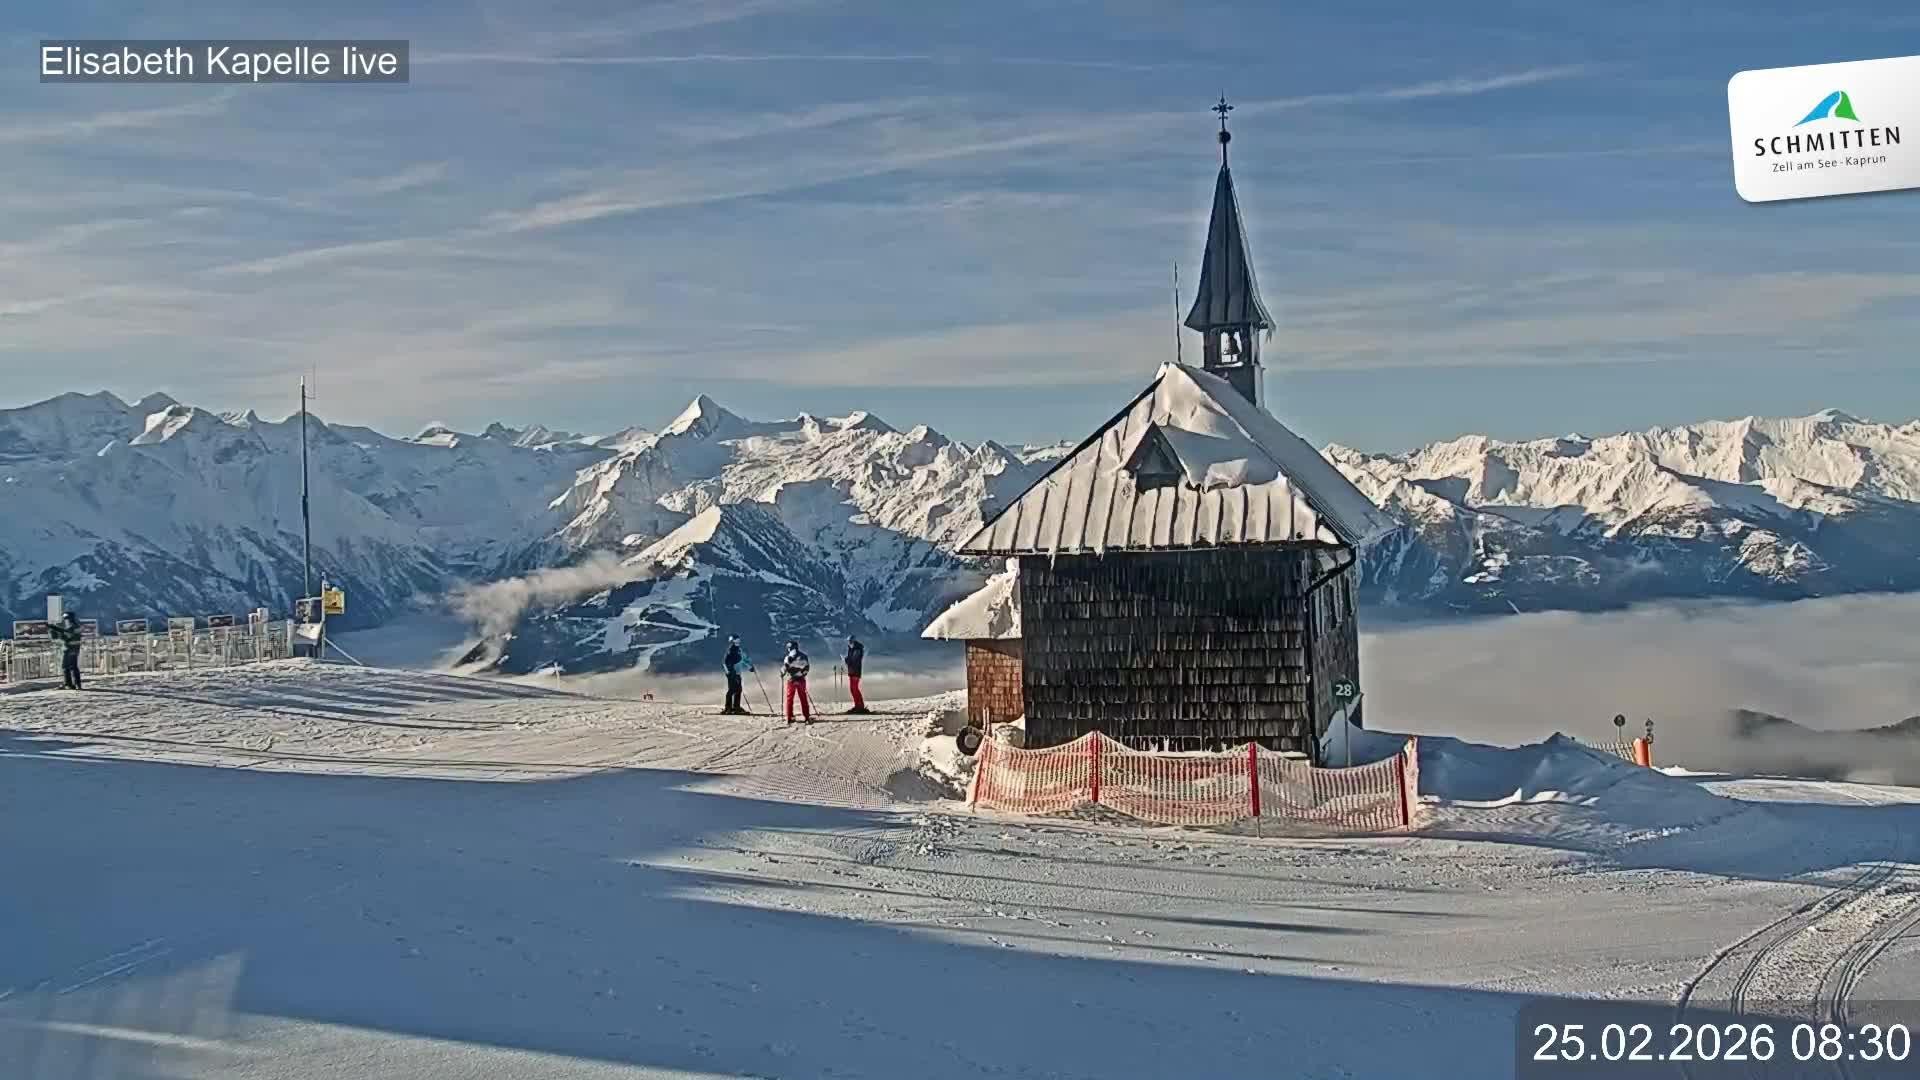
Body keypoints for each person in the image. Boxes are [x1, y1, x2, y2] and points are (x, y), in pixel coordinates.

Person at [49, 612, 85, 690]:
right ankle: (77, 684)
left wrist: (53, 630)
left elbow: (65, 636)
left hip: (69, 649)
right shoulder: (77, 626)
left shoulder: (71, 627)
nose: (65, 621)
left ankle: (68, 684)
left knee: (65, 666)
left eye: (65, 619)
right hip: (75, 649)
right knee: (74, 666)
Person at [781, 640, 813, 724]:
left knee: (789, 699)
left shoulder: (788, 657)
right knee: (803, 698)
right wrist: (802, 674)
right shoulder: (803, 656)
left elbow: (784, 668)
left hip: (791, 680)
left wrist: (782, 673)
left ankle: (789, 717)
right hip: (801, 680)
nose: (788, 649)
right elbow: (807, 668)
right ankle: (806, 717)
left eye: (788, 648)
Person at [722, 634, 753, 714]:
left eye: (738, 641)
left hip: (737, 673)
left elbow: (743, 659)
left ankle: (735, 707)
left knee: (738, 690)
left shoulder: (738, 650)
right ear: (732, 642)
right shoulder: (731, 651)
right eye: (736, 641)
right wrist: (730, 672)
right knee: (733, 690)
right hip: (732, 673)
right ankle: (729, 708)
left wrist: (750, 667)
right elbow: (725, 663)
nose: (738, 642)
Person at [843, 635, 870, 715]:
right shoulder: (852, 649)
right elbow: (852, 659)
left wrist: (846, 660)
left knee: (854, 689)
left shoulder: (857, 649)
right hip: (852, 671)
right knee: (853, 689)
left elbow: (854, 661)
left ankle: (860, 706)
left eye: (850, 641)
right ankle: (858, 706)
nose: (849, 643)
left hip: (855, 672)